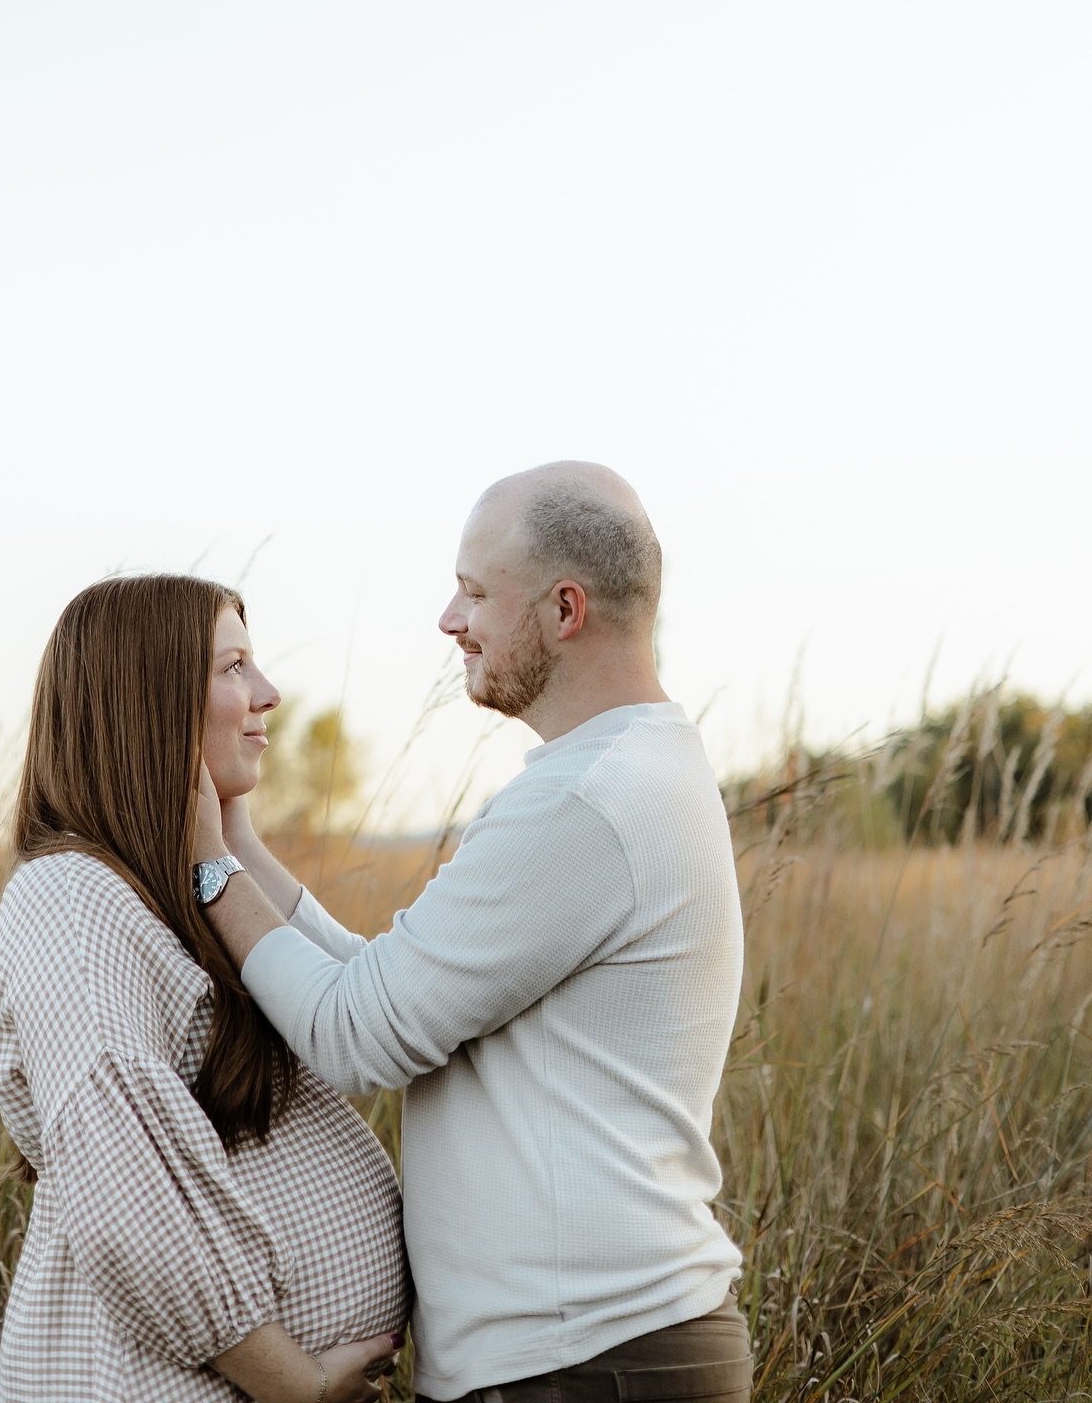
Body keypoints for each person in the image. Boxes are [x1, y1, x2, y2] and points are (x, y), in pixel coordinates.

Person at [197, 464, 753, 1403]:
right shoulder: (628, 772)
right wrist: (239, 842)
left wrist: (207, 871)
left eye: (475, 592)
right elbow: (385, 988)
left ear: (565, 609)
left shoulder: (589, 802)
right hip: (592, 1357)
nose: (449, 620)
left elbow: (359, 1034)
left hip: (585, 1367)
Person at [0, 574, 408, 1403]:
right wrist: (299, 1385)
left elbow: (359, 998)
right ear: (153, 703)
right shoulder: (69, 898)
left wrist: (228, 836)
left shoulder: (168, 894)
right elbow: (123, 1187)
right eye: (234, 667)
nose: (269, 693)